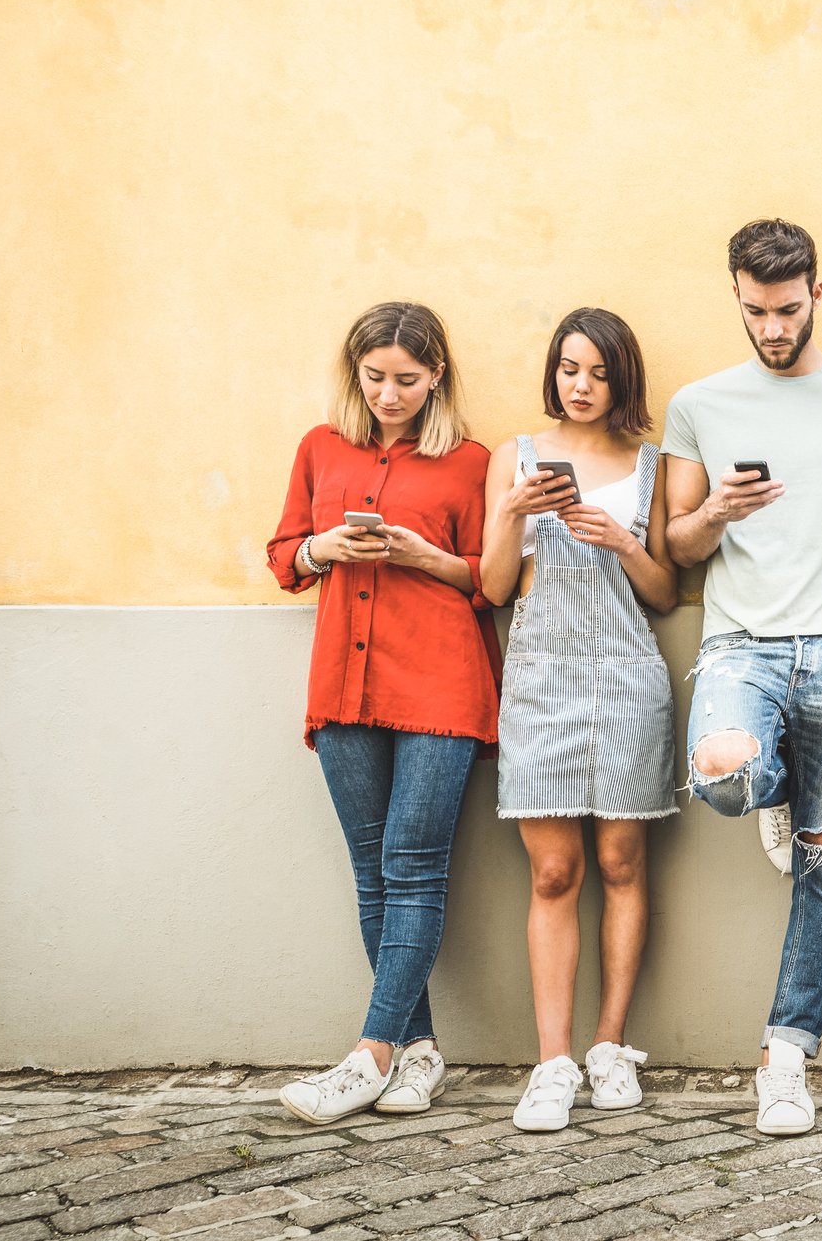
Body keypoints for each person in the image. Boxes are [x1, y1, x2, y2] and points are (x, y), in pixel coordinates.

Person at [661, 219, 822, 1136]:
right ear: (735, 297)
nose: (772, 328)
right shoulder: (698, 403)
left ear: (816, 293)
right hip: (740, 646)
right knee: (723, 775)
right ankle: (771, 782)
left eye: (787, 309)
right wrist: (715, 511)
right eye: (755, 311)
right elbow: (675, 544)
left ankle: (785, 1057)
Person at [266, 302, 497, 1126]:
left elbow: (491, 578)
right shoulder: (319, 447)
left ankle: (367, 1054)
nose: (389, 394)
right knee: (373, 870)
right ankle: (419, 1050)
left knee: (413, 864)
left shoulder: (472, 462)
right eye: (374, 378)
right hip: (344, 684)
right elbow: (284, 556)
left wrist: (423, 555)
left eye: (406, 379)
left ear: (436, 376)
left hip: (439, 683)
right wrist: (321, 548)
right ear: (354, 372)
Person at [480, 308, 681, 1132]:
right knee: (554, 872)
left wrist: (622, 543)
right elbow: (495, 586)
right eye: (569, 368)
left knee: (622, 862)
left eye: (599, 372)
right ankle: (552, 1061)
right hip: (540, 678)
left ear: (622, 378)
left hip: (628, 677)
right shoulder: (515, 456)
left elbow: (665, 592)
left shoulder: (650, 464)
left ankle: (609, 1046)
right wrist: (511, 512)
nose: (582, 385)